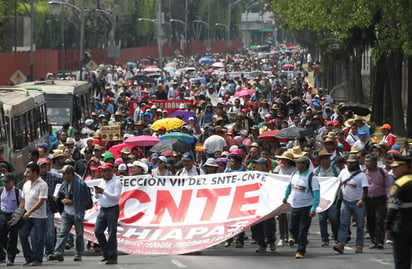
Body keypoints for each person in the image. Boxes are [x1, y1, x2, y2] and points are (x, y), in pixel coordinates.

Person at [49, 165, 91, 262]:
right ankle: (59, 253)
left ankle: (78, 254)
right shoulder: (65, 183)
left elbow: (85, 199)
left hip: (77, 212)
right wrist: (61, 201)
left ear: (70, 174)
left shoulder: (80, 184)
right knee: (63, 233)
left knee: (79, 234)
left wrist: (72, 202)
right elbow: (60, 195)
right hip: (66, 212)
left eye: (64, 174)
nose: (63, 176)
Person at [283, 156, 320, 259]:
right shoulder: (294, 174)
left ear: (305, 165)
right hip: (295, 206)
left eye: (299, 164)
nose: (297, 165)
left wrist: (313, 208)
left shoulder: (312, 177)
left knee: (303, 229)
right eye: (296, 163)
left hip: (306, 207)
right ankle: (302, 240)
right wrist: (285, 197)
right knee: (292, 227)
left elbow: (316, 194)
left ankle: (300, 251)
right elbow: (289, 187)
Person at [333, 154, 369, 254]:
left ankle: (359, 245)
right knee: (344, 223)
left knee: (360, 225)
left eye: (352, 162)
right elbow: (337, 183)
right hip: (345, 201)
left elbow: (366, 189)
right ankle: (341, 244)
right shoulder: (343, 172)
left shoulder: (362, 175)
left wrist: (362, 200)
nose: (350, 164)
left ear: (356, 163)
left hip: (357, 202)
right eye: (349, 162)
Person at [385, 154, 412, 269]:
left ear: (405, 167)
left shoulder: (399, 184)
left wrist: (388, 227)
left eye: (396, 167)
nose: (393, 170)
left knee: (402, 261)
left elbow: (392, 209)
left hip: (403, 226)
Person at [19, 162, 48, 266]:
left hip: (39, 216)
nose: (26, 174)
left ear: (35, 172)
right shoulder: (26, 184)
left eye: (28, 172)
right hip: (27, 214)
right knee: (22, 235)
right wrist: (19, 212)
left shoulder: (43, 184)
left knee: (39, 238)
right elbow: (23, 199)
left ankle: (37, 259)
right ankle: (29, 257)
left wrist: (30, 211)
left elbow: (41, 201)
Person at [94, 163, 122, 265]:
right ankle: (106, 253)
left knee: (111, 233)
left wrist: (103, 192)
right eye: (102, 171)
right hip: (103, 209)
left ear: (110, 171)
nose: (103, 173)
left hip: (112, 209)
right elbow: (97, 197)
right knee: (97, 231)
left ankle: (112, 256)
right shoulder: (102, 181)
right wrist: (97, 192)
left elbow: (116, 197)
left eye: (105, 171)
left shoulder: (117, 182)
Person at [37, 158, 63, 260]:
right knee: (37, 232)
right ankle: (37, 251)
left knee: (50, 232)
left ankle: (49, 252)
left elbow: (65, 179)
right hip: (37, 208)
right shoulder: (34, 177)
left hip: (48, 207)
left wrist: (60, 194)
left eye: (46, 166)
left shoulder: (52, 176)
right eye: (42, 167)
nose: (44, 169)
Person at [313, 149, 340, 247]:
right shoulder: (316, 171)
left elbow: (339, 182)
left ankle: (337, 238)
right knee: (322, 219)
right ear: (320, 160)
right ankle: (324, 239)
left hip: (332, 199)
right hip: (321, 198)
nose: (328, 160)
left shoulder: (335, 170)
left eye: (328, 157)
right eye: (325, 158)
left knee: (333, 218)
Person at [364, 154, 391, 249]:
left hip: (380, 199)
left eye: (368, 161)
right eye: (365, 161)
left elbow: (388, 185)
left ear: (374, 162)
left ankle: (380, 241)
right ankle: (373, 240)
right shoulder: (364, 173)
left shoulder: (382, 172)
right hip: (368, 200)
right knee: (370, 220)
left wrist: (388, 198)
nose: (366, 163)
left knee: (379, 219)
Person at [252, 158, 277, 253]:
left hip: (268, 204)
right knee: (257, 225)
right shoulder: (253, 176)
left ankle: (271, 241)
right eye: (257, 164)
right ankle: (261, 244)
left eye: (259, 164)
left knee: (269, 223)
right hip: (257, 203)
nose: (257, 166)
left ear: (265, 166)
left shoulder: (271, 176)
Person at [0, 173, 21, 266]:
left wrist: (18, 216)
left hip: (14, 215)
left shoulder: (18, 192)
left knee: (13, 237)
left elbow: (22, 204)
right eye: (4, 182)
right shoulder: (1, 191)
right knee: (1, 236)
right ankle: (11, 249)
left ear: (12, 182)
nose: (5, 184)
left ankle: (11, 258)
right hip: (4, 215)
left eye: (7, 182)